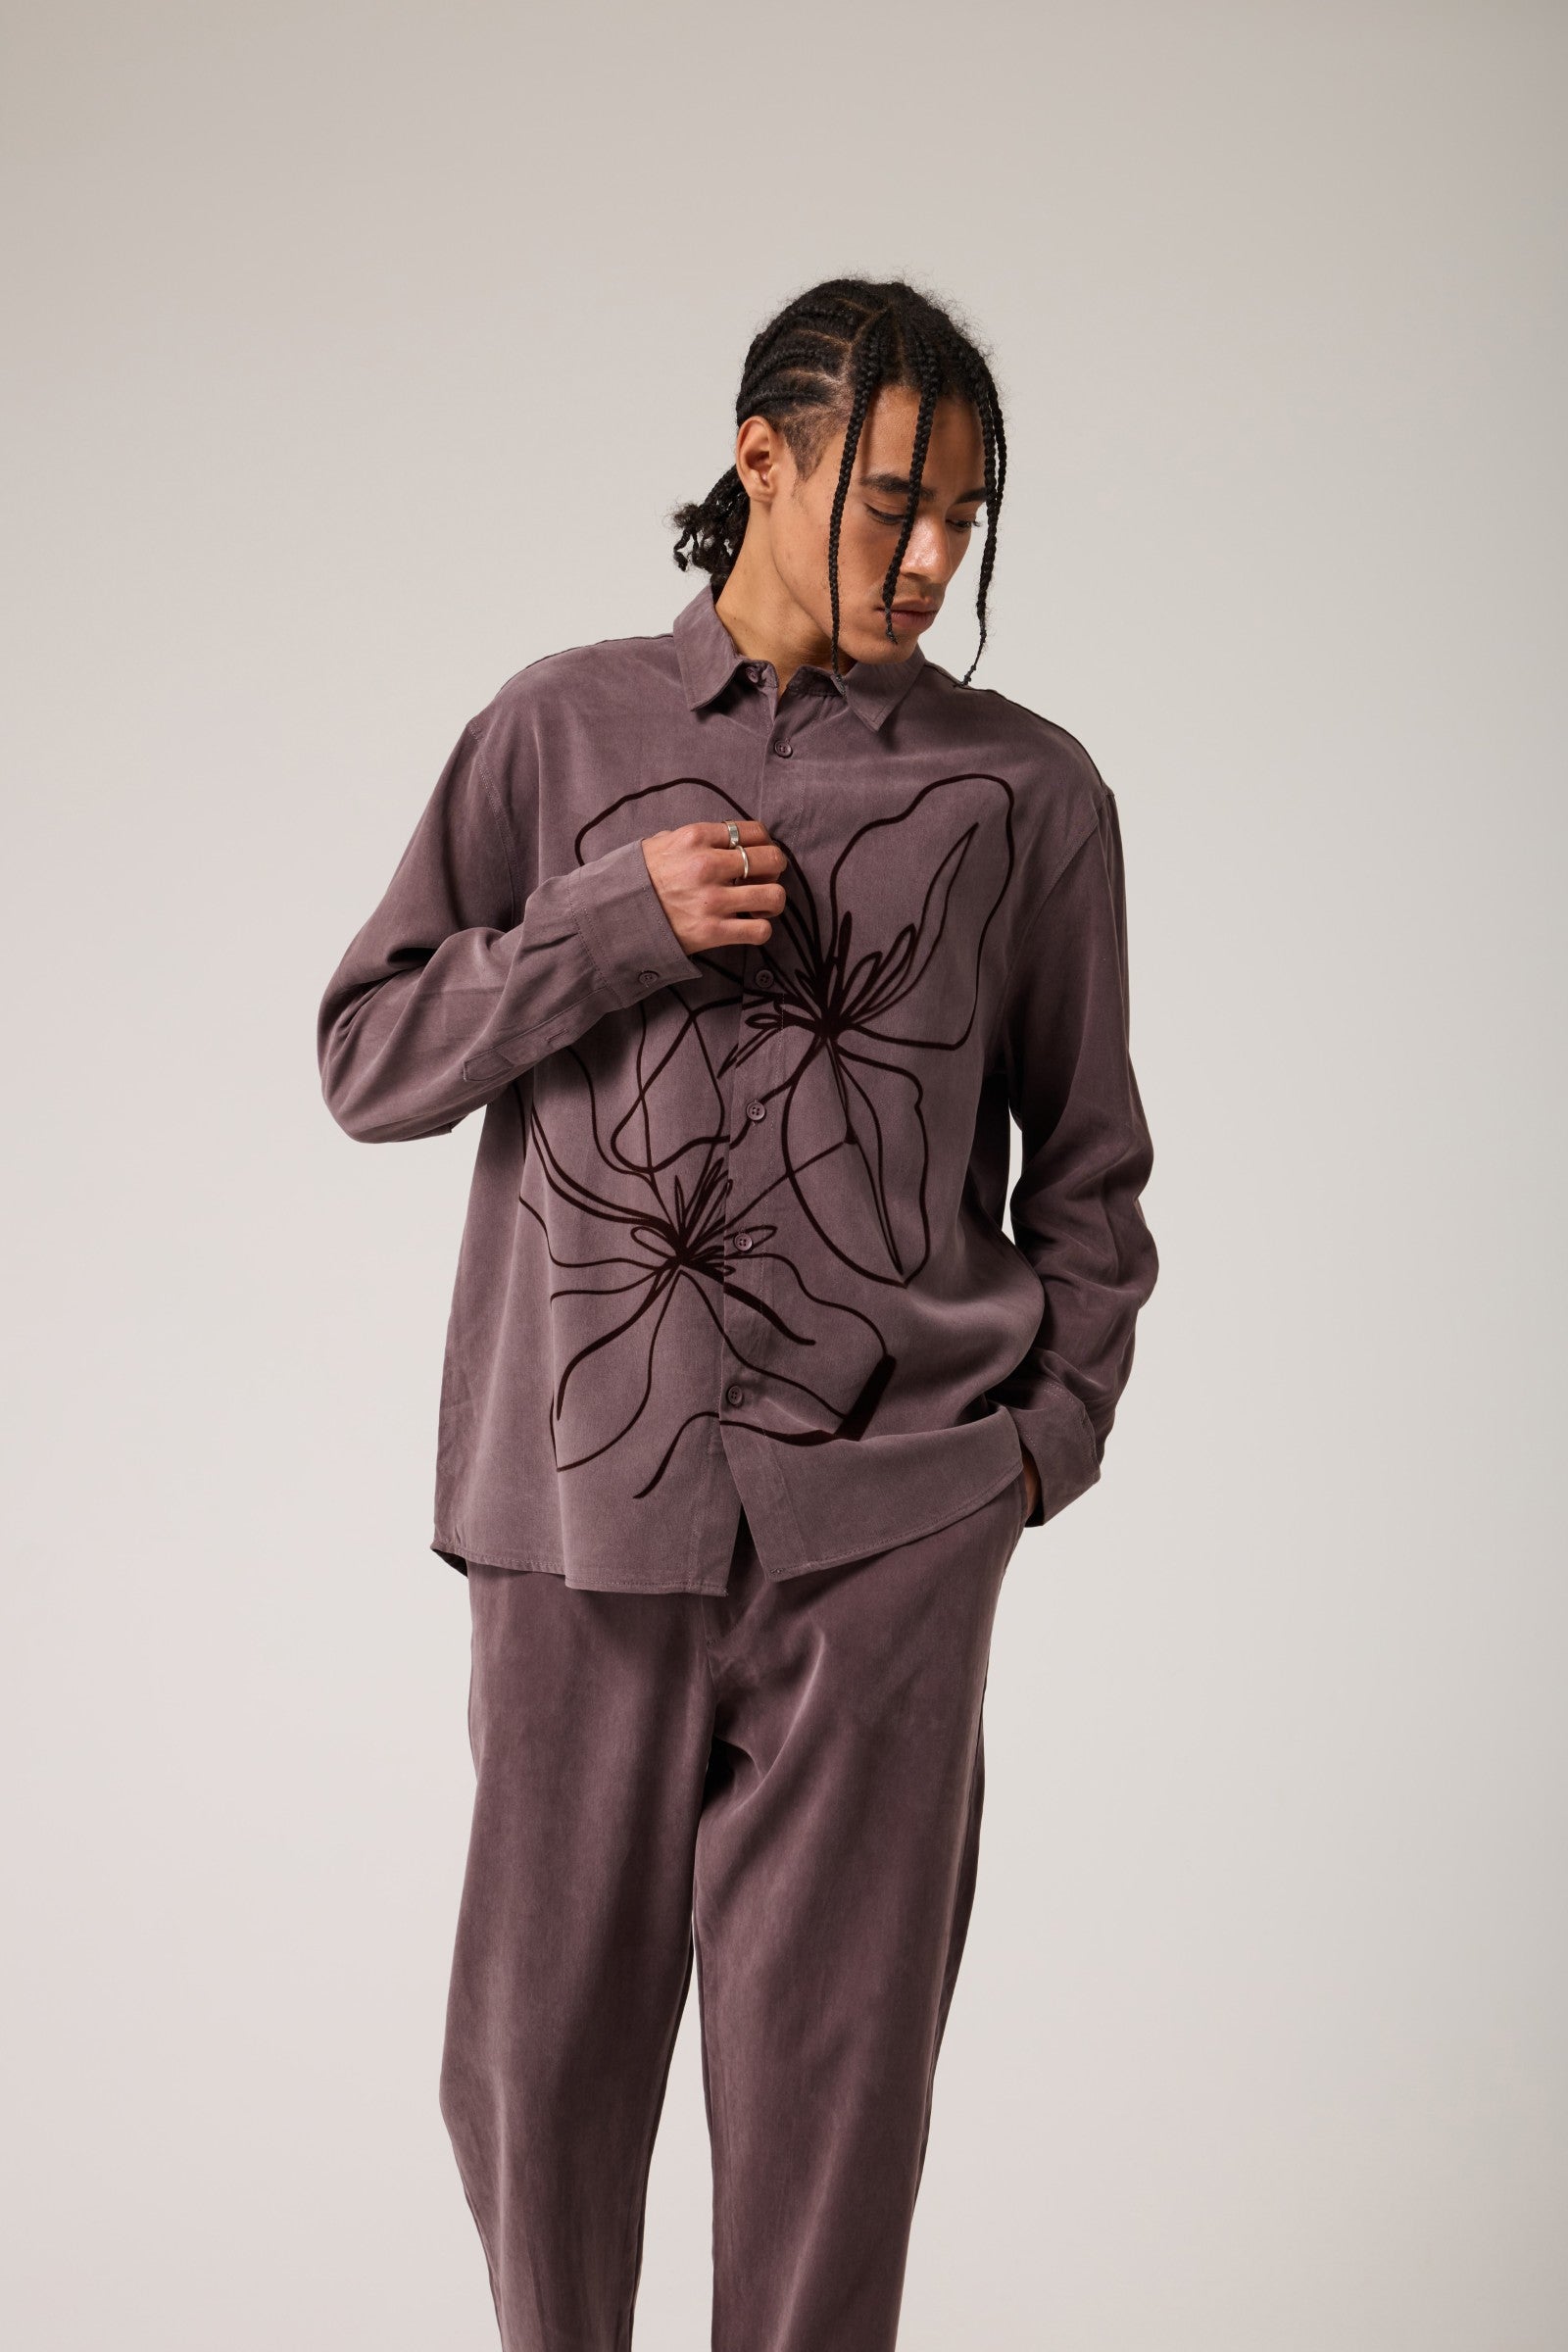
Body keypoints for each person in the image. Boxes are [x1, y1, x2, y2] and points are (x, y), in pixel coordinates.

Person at [317, 273, 1158, 2352]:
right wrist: (608, 924)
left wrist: (1032, 1456)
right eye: (891, 500)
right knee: (532, 2093)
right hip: (573, 1522)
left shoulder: (1027, 796)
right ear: (758, 461)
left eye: (963, 514)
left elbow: (1088, 1170)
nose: (930, 555)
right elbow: (368, 1058)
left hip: (886, 1539)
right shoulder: (560, 731)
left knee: (826, 2130)